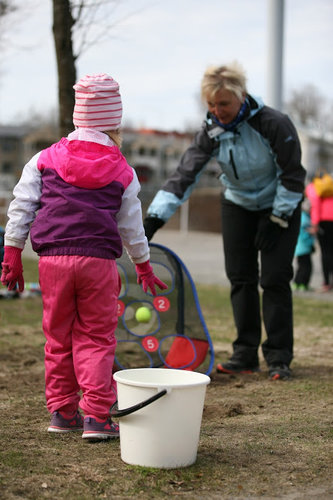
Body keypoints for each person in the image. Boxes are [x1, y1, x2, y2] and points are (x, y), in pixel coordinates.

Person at [1, 73, 167, 440]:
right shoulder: (122, 170)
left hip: (53, 262)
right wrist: (142, 263)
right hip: (98, 264)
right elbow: (131, 225)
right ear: (114, 122)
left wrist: (13, 250)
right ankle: (96, 417)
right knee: (95, 337)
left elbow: (22, 204)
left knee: (58, 336)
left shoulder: (44, 159)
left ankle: (61, 412)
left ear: (78, 116)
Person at [143, 62, 306, 381]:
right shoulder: (210, 132)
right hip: (238, 205)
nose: (218, 111)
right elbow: (183, 177)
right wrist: (153, 219)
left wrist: (277, 218)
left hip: (279, 204)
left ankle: (278, 357)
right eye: (211, 105)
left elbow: (293, 175)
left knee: (274, 278)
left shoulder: (274, 123)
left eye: (224, 104)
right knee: (240, 277)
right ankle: (245, 353)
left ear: (241, 96)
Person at [306, 175, 333, 292]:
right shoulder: (330, 186)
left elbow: (315, 205)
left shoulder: (313, 187)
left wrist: (315, 223)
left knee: (325, 252)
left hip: (323, 221)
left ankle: (326, 282)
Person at [292, 195, 315, 291]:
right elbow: (305, 232)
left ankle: (300, 283)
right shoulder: (304, 217)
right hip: (304, 247)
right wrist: (312, 233)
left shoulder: (303, 216)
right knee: (305, 266)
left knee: (302, 266)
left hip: (301, 247)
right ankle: (300, 283)